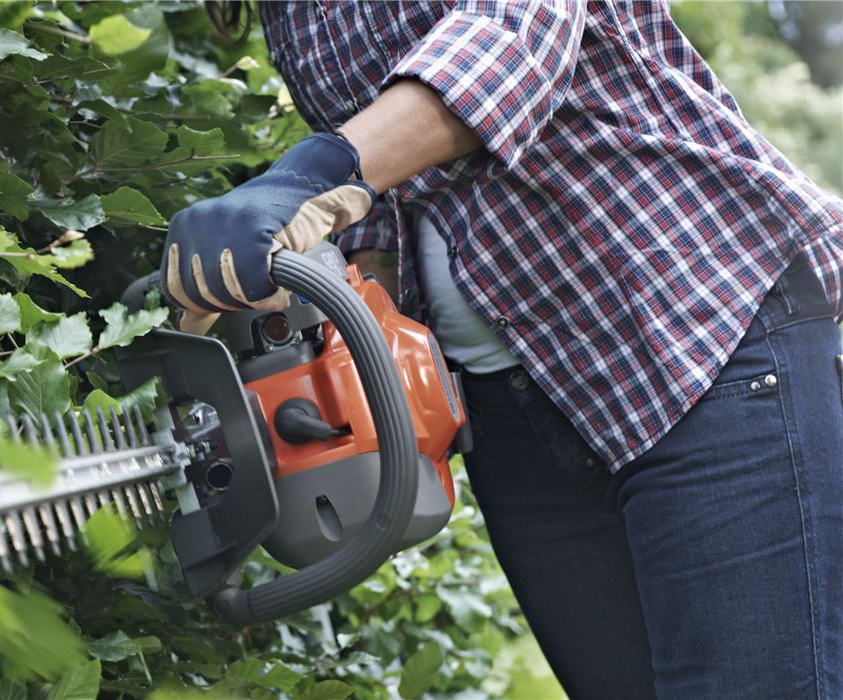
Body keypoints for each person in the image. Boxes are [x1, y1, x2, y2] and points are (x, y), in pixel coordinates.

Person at [161, 3, 843, 698]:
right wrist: (342, 301)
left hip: (691, 331)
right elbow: (395, 188)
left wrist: (311, 178)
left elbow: (511, 39)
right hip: (511, 406)